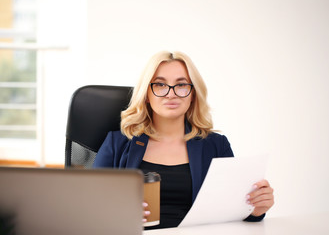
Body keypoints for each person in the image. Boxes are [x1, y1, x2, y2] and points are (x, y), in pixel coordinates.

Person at [93, 51, 274, 229]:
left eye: (181, 85)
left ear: (193, 94)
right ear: (147, 94)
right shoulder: (117, 144)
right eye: (160, 85)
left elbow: (233, 210)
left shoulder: (216, 145)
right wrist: (116, 212)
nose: (171, 94)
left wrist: (255, 209)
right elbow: (90, 206)